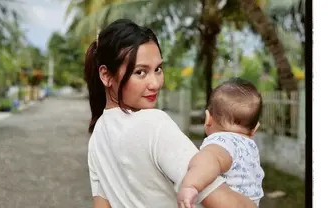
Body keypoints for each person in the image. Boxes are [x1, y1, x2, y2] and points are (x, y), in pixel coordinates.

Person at [84, 19, 257, 208]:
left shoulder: (98, 135)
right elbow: (225, 202)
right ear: (106, 75)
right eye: (140, 72)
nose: (156, 83)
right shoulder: (154, 125)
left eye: (158, 69)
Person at [177, 78, 265, 208]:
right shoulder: (251, 147)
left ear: (208, 119)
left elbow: (208, 160)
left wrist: (190, 186)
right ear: (254, 129)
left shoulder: (221, 141)